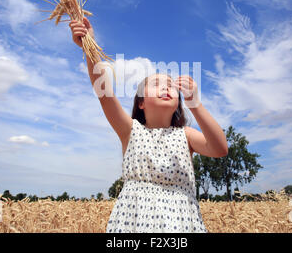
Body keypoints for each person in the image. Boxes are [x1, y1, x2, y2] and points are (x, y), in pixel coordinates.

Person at [69, 17, 229, 233]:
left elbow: (220, 149)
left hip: (181, 224)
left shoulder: (186, 135)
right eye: (156, 84)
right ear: (141, 103)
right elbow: (104, 92)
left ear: (179, 103)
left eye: (171, 86)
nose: (166, 88)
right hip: (132, 222)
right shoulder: (130, 130)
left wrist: (196, 104)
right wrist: (89, 47)